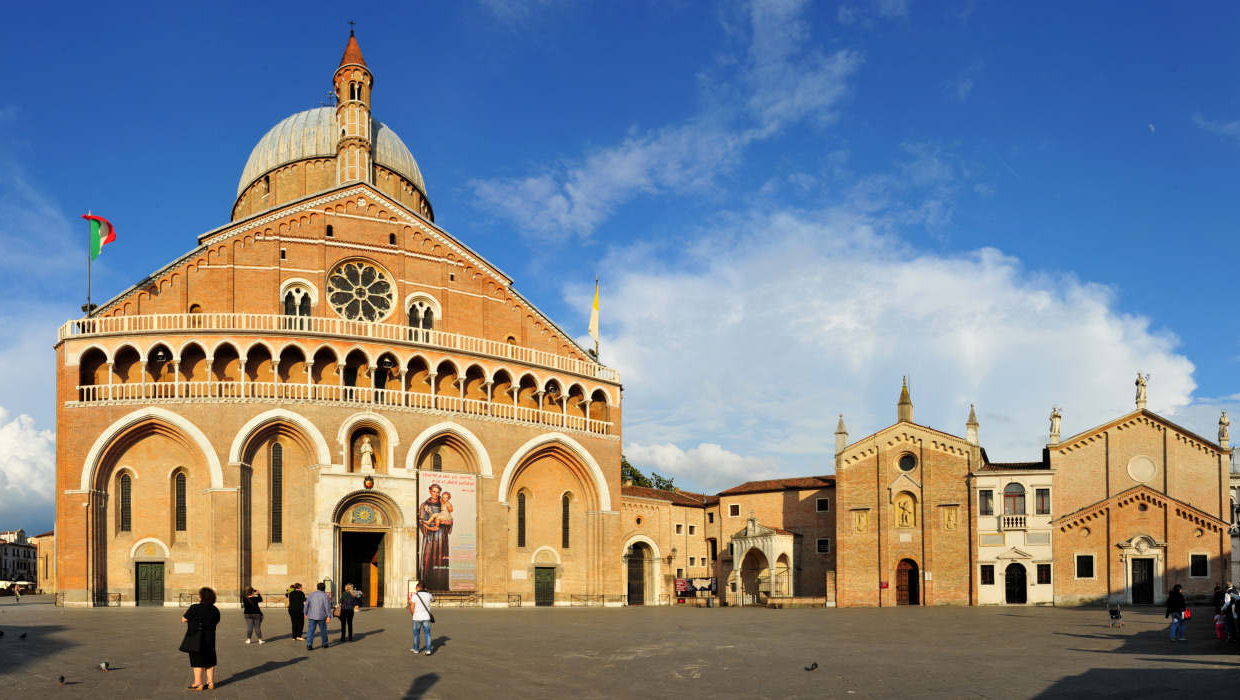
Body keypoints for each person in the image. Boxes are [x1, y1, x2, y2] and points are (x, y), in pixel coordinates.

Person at [182, 587, 220, 691]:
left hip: (196, 637)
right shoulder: (215, 609)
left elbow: (184, 619)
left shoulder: (194, 607)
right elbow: (216, 621)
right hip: (210, 637)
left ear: (202, 597)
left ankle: (198, 683)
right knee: (210, 659)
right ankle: (210, 682)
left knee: (197, 659)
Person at [419, 484, 452, 590]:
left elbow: (450, 519)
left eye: (438, 492)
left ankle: (442, 586)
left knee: (441, 560)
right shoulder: (424, 505)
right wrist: (428, 527)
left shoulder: (443, 504)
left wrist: (446, 522)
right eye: (434, 491)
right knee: (428, 559)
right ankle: (427, 585)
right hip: (430, 537)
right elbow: (421, 520)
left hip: (442, 536)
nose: (436, 494)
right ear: (430, 491)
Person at [305, 582, 332, 650]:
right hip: (322, 616)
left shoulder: (311, 594)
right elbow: (327, 607)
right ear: (324, 588)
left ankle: (309, 644)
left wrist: (305, 613)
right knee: (323, 630)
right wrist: (329, 616)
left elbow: (306, 604)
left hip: (312, 615)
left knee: (311, 630)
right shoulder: (325, 596)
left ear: (317, 587)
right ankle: (324, 643)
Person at [409, 581, 434, 655]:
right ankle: (428, 650)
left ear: (418, 587)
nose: (415, 589)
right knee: (427, 634)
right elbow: (433, 599)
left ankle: (416, 649)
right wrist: (427, 592)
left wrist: (413, 615)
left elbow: (411, 607)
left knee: (416, 634)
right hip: (426, 617)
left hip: (417, 617)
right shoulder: (429, 595)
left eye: (416, 588)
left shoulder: (415, 596)